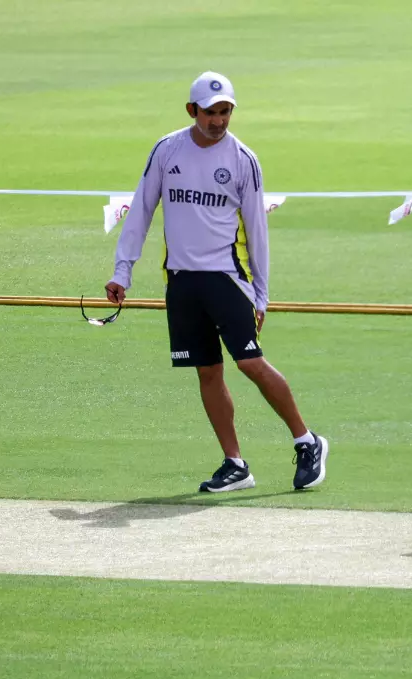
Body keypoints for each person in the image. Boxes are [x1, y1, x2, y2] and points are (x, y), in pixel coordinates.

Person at [103, 71, 328, 494]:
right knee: (207, 371)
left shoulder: (243, 160)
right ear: (192, 111)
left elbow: (257, 231)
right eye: (210, 113)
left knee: (249, 362)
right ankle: (235, 464)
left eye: (225, 112)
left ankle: (307, 440)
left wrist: (262, 294)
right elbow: (142, 210)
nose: (218, 121)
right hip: (182, 281)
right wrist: (122, 271)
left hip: (228, 278)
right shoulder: (167, 150)